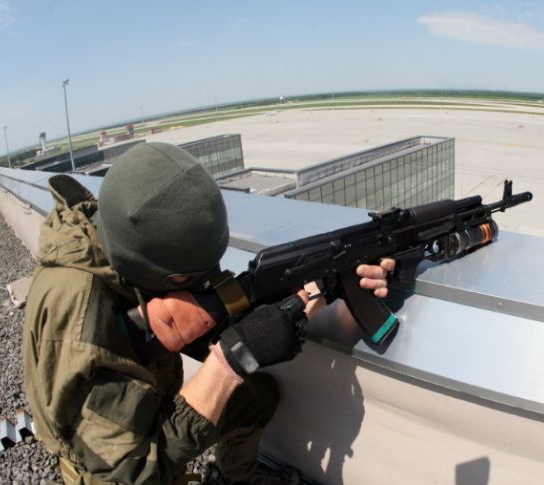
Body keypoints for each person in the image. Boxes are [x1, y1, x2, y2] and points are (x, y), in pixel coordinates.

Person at [23, 142, 395, 485]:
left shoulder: (114, 242)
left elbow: (213, 310)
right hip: (111, 467)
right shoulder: (79, 319)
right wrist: (230, 360)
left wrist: (326, 281)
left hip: (142, 406)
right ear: (157, 274)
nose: (205, 285)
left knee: (255, 399)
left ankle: (235, 479)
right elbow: (128, 470)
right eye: (190, 280)